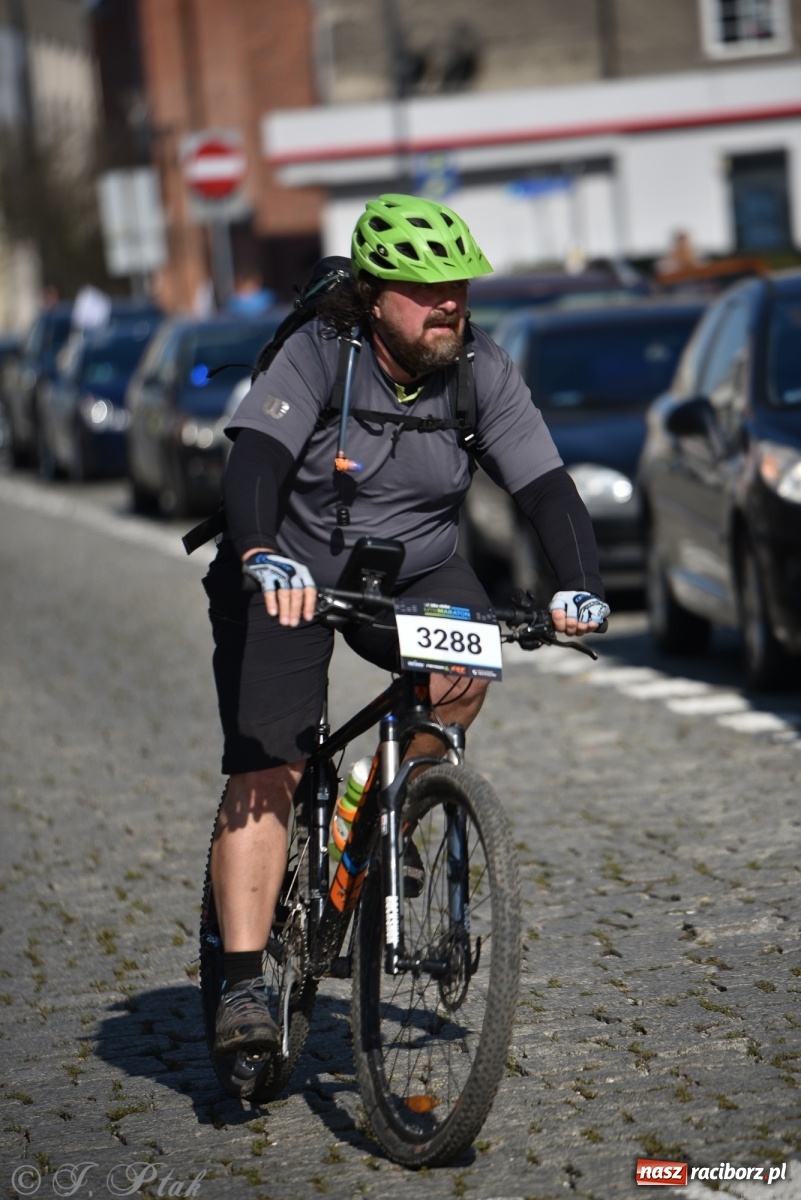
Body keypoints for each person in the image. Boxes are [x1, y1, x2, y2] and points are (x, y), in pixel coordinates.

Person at [202, 193, 610, 1056]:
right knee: (269, 762)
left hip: (415, 569)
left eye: (457, 285)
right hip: (291, 572)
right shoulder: (322, 354)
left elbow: (543, 487)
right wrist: (259, 556)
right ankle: (242, 986)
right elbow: (257, 460)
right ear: (374, 296)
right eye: (426, 290)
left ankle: (383, 801)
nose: (449, 303)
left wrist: (579, 585)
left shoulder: (479, 368)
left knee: (464, 671)